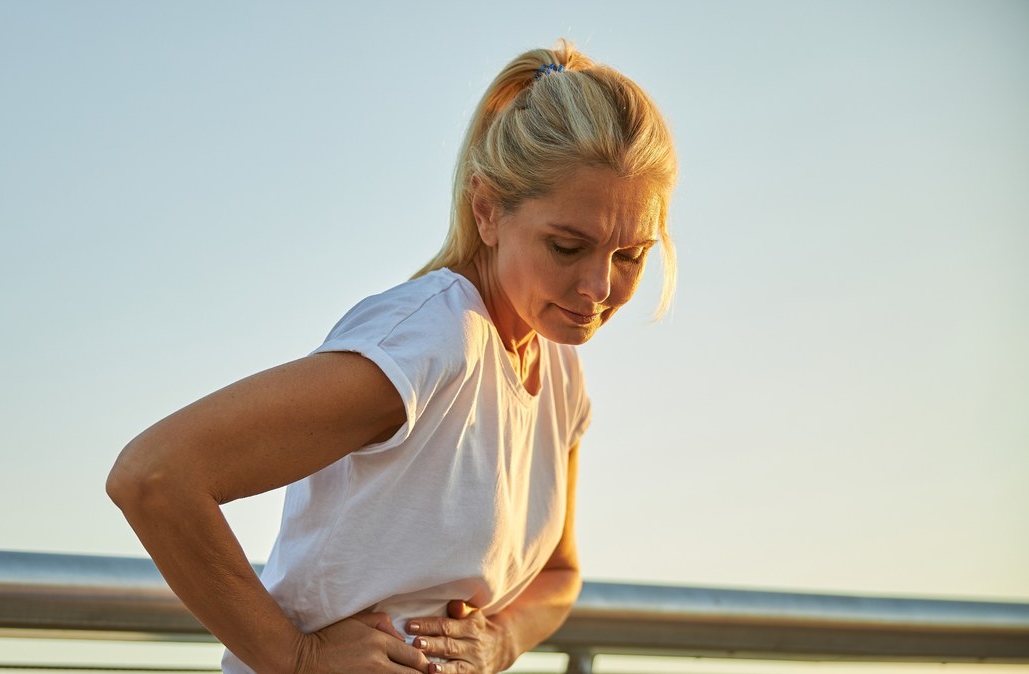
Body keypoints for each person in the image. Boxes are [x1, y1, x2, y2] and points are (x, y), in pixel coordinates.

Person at [106, 39, 678, 674]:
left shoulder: (562, 370)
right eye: (568, 246)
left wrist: (501, 640)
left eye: (630, 256)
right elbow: (155, 476)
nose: (599, 288)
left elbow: (559, 575)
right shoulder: (433, 340)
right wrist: (295, 658)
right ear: (486, 209)